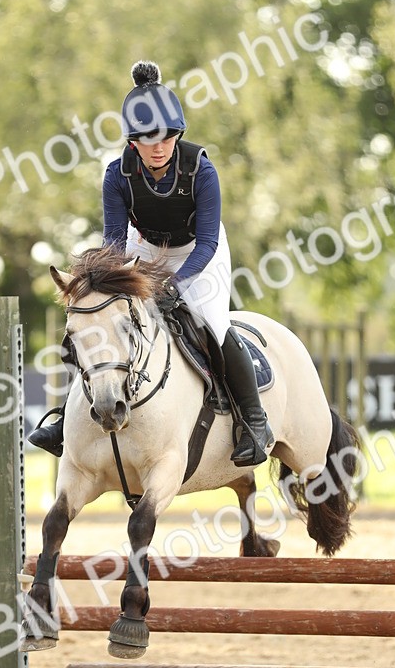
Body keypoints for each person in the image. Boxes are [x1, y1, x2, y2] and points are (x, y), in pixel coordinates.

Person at [28, 60, 274, 467]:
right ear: (132, 142)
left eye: (167, 137)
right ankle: (65, 416)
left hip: (199, 252)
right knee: (102, 321)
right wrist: (106, 284)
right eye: (147, 139)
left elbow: (208, 240)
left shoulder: (201, 170)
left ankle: (254, 421)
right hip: (142, 249)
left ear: (177, 135)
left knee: (212, 320)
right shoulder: (116, 176)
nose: (159, 147)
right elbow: (114, 242)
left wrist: (178, 284)